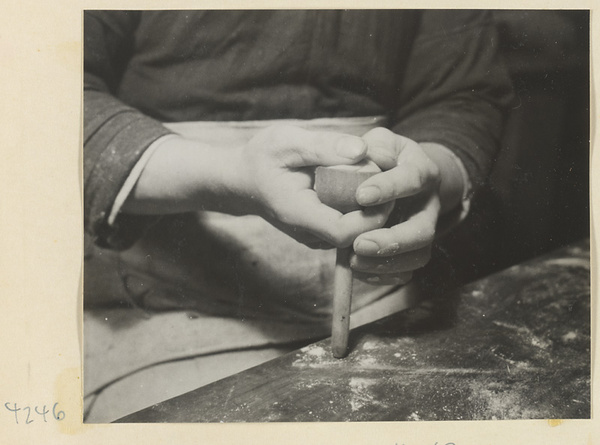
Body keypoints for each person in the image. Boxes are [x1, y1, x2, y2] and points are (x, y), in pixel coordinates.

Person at [83, 9, 513, 421]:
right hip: (164, 319)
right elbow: (47, 93)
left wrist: (426, 177)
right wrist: (228, 175)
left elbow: (461, 95)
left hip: (381, 306)